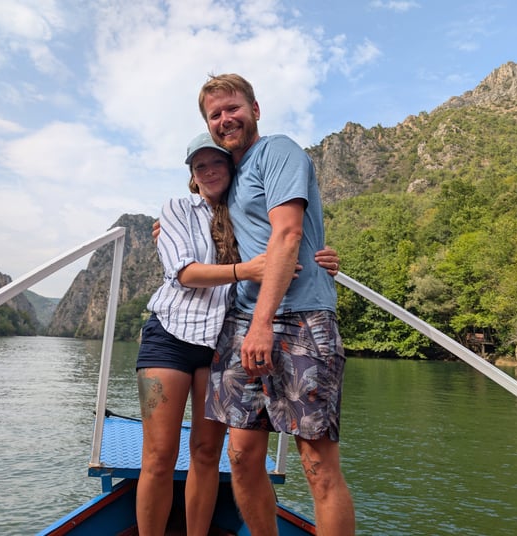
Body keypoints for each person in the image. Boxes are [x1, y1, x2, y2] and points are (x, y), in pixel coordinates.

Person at [135, 132, 341, 535]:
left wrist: (321, 259)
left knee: (207, 451)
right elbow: (184, 273)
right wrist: (247, 270)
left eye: (217, 163)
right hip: (170, 339)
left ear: (231, 169)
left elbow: (286, 239)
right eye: (200, 167)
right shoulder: (177, 208)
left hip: (220, 341)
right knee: (159, 456)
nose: (210, 171)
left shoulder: (243, 212)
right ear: (192, 176)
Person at [199, 73, 356, 535]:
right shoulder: (229, 175)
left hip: (299, 320)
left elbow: (287, 232)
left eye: (234, 108)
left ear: (255, 109)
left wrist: (263, 323)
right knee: (242, 455)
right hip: (243, 321)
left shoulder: (278, 151)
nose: (226, 119)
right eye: (215, 114)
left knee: (316, 463)